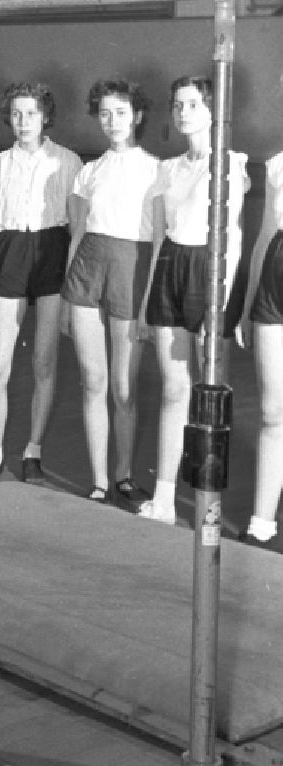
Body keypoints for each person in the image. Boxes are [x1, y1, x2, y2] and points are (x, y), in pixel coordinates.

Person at [139, 76, 249, 525]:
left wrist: (219, 305)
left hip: (210, 272)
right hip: (171, 269)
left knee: (207, 396)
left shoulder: (230, 164)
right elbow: (160, 242)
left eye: (193, 104)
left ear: (212, 110)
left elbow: (235, 239)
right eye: (178, 105)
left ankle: (208, 504)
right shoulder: (167, 169)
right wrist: (149, 298)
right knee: (173, 389)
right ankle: (164, 501)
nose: (184, 112)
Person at [0, 82, 82, 485]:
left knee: (44, 362)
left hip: (51, 254)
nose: (23, 121)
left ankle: (33, 450)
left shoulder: (68, 162)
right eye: (15, 114)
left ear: (45, 116)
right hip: (9, 257)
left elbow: (77, 229)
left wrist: (68, 286)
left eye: (30, 113)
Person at [62, 80, 159, 504]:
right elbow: (76, 233)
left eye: (120, 112)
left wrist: (149, 302)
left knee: (123, 386)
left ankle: (124, 474)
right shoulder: (89, 171)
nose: (111, 121)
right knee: (92, 380)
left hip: (131, 271)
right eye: (103, 113)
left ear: (136, 116)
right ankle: (100, 480)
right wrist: (68, 292)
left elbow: (158, 242)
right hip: (86, 269)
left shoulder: (156, 169)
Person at [241, 120, 283, 547]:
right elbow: (265, 237)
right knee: (272, 411)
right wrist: (249, 304)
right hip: (274, 287)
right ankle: (262, 521)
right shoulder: (278, 165)